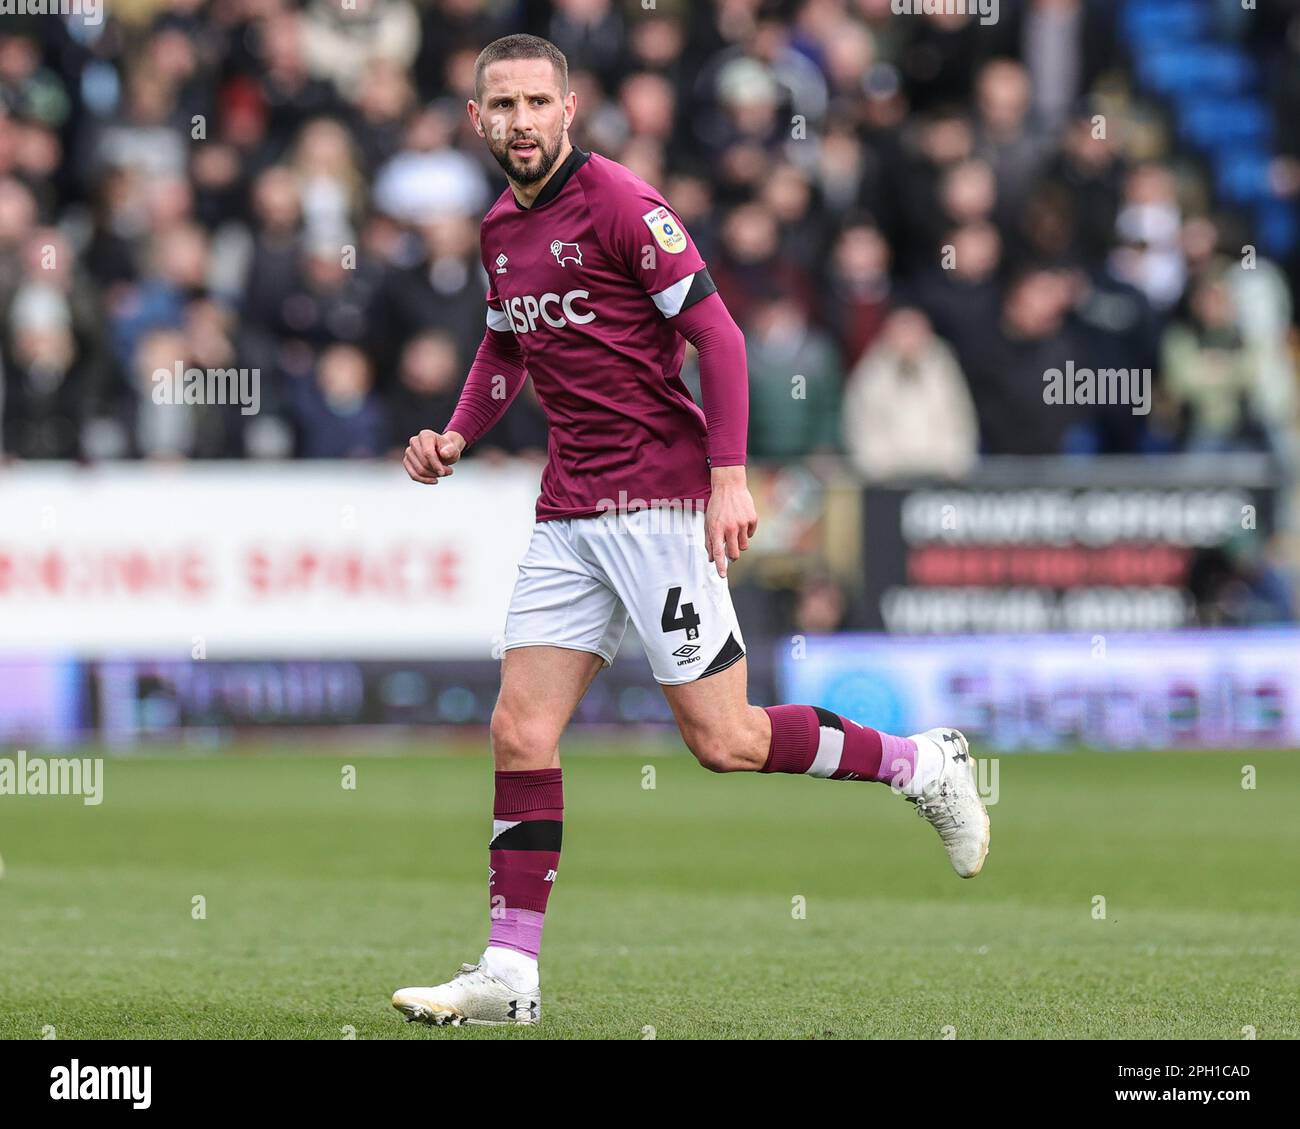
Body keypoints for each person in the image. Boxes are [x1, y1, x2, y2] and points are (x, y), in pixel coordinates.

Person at [392, 34, 990, 1028]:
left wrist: (726, 476)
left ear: (568, 109)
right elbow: (506, 347)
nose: (522, 122)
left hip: (662, 506)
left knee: (727, 739)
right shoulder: (498, 231)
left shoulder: (623, 203)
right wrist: (456, 433)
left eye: (538, 102)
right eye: (502, 106)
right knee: (516, 730)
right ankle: (509, 971)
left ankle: (923, 764)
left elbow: (718, 333)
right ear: (476, 120)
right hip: (570, 512)